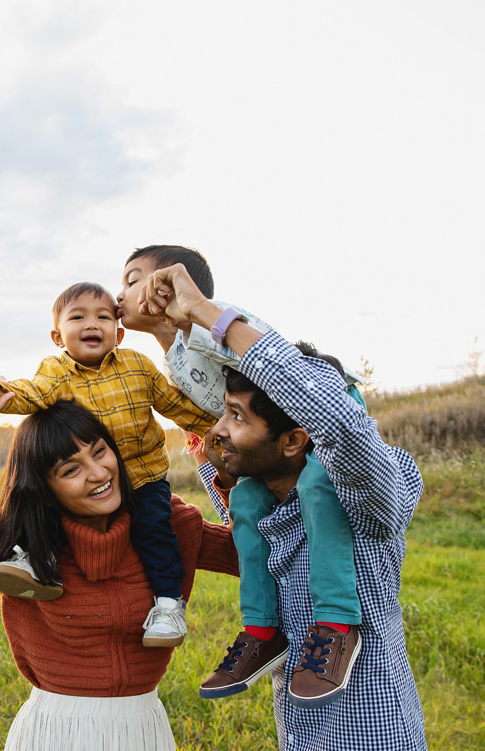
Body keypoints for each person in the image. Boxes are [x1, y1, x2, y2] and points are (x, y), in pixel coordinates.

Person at [137, 263, 428, 750]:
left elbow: (339, 420)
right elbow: (216, 424)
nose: (219, 430)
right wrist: (171, 330)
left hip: (374, 736)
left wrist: (209, 313)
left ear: (296, 439)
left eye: (235, 416)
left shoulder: (367, 497)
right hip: (299, 735)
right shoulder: (258, 493)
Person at [0, 380, 239, 750]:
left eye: (100, 452)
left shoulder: (167, 526)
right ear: (44, 487)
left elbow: (246, 554)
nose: (99, 473)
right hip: (56, 730)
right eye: (71, 470)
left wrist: (229, 477)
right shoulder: (18, 537)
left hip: (143, 728)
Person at [118, 245, 366, 704]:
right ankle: (262, 628)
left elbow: (290, 367)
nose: (121, 293)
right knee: (247, 505)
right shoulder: (173, 359)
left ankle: (336, 621)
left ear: (169, 283)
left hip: (326, 411)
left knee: (317, 485)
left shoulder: (221, 321)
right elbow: (219, 415)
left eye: (132, 279)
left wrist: (203, 312)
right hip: (266, 441)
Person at [0, 282, 215, 647]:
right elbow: (33, 393)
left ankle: (167, 605)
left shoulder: (137, 365)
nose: (92, 324)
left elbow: (175, 406)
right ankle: (35, 562)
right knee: (50, 509)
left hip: (143, 475)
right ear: (57, 335)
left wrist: (219, 428)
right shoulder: (56, 371)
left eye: (103, 316)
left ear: (119, 332)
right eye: (78, 317)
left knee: (155, 531)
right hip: (88, 479)